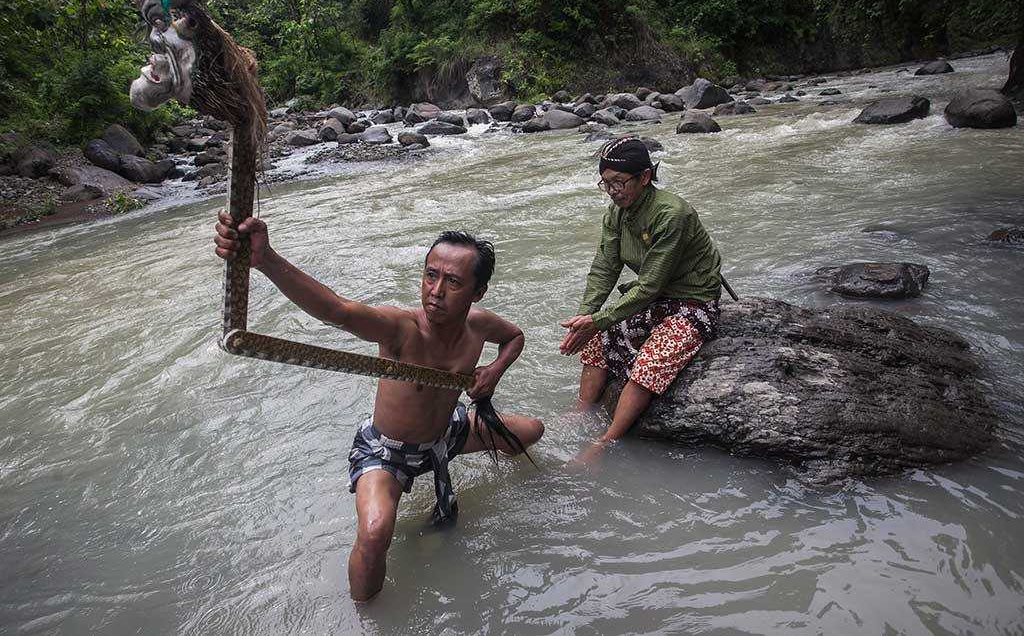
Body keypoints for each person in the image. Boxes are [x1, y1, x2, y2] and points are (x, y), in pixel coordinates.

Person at [213, 211, 544, 602]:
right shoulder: (401, 329)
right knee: (374, 534)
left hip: (447, 431)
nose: (436, 290)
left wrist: (493, 370)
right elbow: (336, 310)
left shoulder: (480, 324)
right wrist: (266, 259)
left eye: (453, 282)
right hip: (390, 450)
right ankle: (367, 617)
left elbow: (515, 337)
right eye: (430, 275)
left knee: (531, 432)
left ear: (478, 291)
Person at [559, 136, 722, 463]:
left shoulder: (671, 215)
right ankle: (582, 411)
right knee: (597, 339)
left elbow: (649, 285)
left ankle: (606, 441)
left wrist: (598, 320)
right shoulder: (617, 213)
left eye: (620, 182)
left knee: (651, 360)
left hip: (693, 301)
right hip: (656, 298)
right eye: (606, 184)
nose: (614, 191)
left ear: (645, 177)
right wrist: (584, 319)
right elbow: (604, 267)